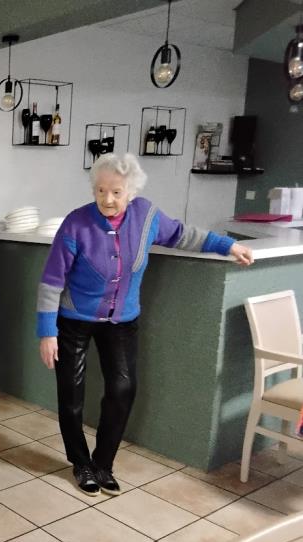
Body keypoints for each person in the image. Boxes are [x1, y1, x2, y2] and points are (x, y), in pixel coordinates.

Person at [36, 153, 253, 497]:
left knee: (123, 389)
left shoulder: (146, 215)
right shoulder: (76, 223)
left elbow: (183, 234)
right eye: (101, 190)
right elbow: (51, 280)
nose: (108, 199)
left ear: (131, 192)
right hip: (75, 320)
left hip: (122, 320)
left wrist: (229, 245)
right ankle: (80, 464)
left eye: (116, 192)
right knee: (71, 395)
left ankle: (103, 464)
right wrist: (47, 332)